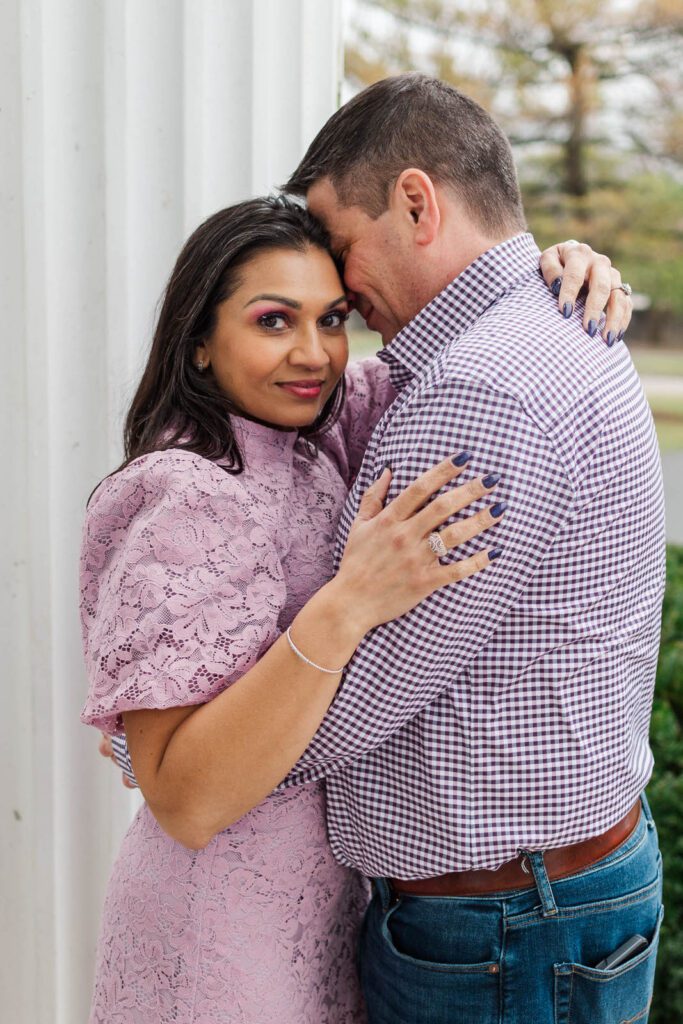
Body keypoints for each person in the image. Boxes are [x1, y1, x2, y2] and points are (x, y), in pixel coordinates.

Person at [268, 73, 663, 1024]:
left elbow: (362, 689)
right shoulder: (552, 322)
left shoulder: (478, 392)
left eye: (339, 243)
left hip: (499, 929)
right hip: (541, 902)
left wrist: (186, 748)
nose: (340, 290)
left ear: (415, 202)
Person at [80, 195, 512, 1024]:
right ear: (200, 342)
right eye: (273, 321)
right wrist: (346, 605)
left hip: (323, 915)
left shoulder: (316, 432)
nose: (312, 353)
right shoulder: (187, 495)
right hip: (214, 933)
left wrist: (553, 266)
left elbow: (449, 356)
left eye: (333, 319)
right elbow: (185, 800)